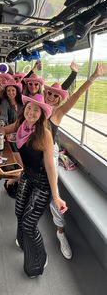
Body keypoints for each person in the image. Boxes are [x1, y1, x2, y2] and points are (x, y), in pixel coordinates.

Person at [0, 94, 67, 277]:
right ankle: (23, 242)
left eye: (36, 110)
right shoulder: (21, 125)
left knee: (29, 224)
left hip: (42, 183)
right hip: (27, 176)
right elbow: (5, 129)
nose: (31, 112)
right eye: (29, 107)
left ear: (42, 114)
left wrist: (56, 195)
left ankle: (39, 260)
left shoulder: (44, 133)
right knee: (18, 212)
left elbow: (51, 167)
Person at [44, 62, 105, 259]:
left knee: (55, 197)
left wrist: (93, 77)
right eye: (49, 93)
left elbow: (77, 95)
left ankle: (61, 233)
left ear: (59, 98)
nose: (51, 97)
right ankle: (25, 231)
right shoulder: (34, 110)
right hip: (34, 156)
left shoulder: (58, 114)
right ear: (45, 94)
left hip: (50, 155)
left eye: (55, 95)